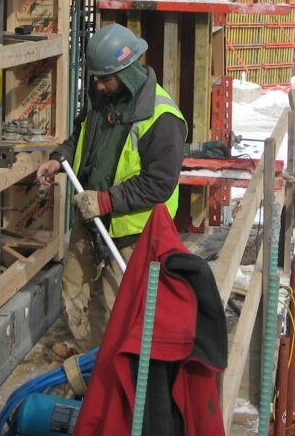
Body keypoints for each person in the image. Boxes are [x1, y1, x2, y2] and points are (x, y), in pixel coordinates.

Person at [36, 23, 187, 355]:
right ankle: (88, 357)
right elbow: (82, 136)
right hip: (92, 218)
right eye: (97, 79)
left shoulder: (161, 118)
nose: (99, 86)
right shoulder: (103, 98)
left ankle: (112, 371)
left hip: (133, 231)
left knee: (116, 304)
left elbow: (160, 183)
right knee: (74, 287)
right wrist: (60, 159)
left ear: (128, 70)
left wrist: (107, 201)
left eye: (106, 78)